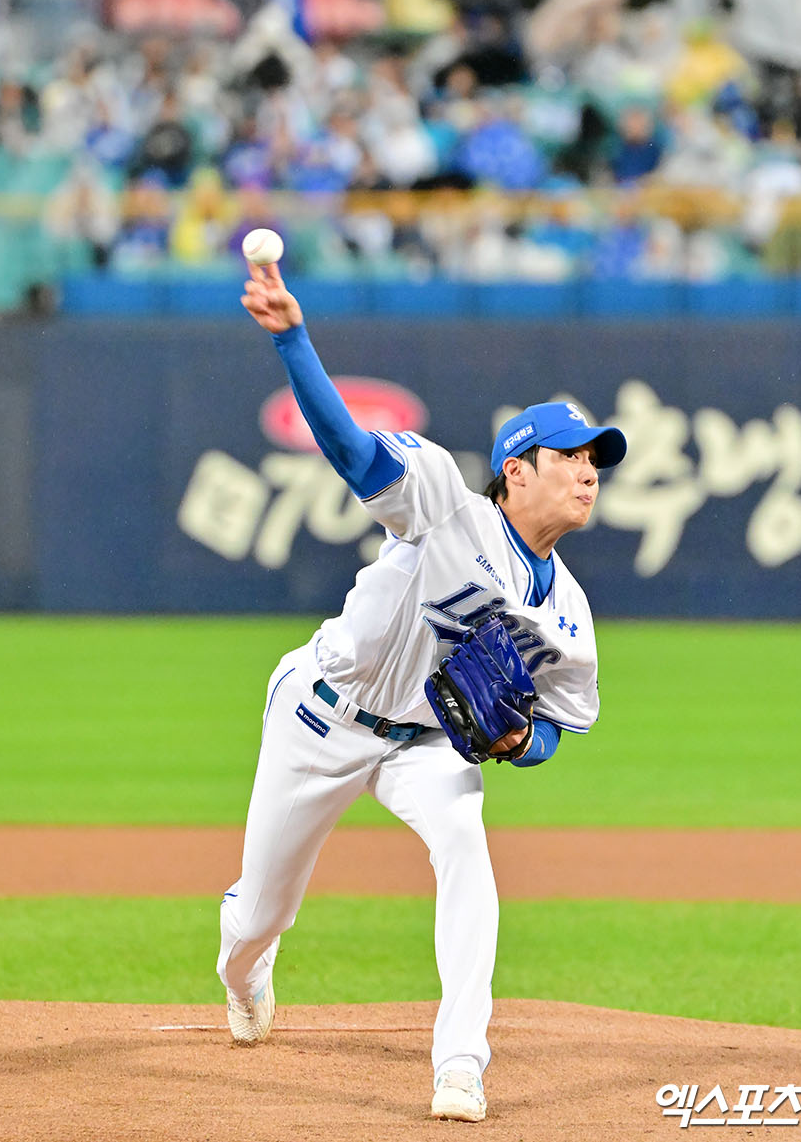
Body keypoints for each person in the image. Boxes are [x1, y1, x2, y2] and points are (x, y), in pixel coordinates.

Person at [217, 259, 627, 1123]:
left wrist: (520, 741)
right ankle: (245, 965)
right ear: (517, 470)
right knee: (259, 912)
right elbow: (353, 450)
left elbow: (556, 726)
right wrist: (293, 339)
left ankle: (461, 1064)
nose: (589, 472)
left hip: (428, 743)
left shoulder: (572, 614)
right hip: (323, 714)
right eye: (570, 456)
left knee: (468, 853)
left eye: (597, 460)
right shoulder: (446, 503)